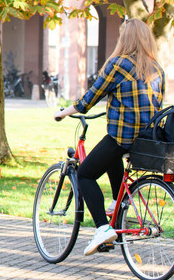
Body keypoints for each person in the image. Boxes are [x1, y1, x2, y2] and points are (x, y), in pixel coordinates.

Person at [54, 19, 165, 256]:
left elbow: (88, 100)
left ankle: (103, 229)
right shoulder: (157, 69)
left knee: (85, 174)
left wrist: (63, 112)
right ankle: (118, 202)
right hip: (147, 141)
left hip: (123, 137)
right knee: (110, 155)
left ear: (125, 39)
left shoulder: (118, 64)